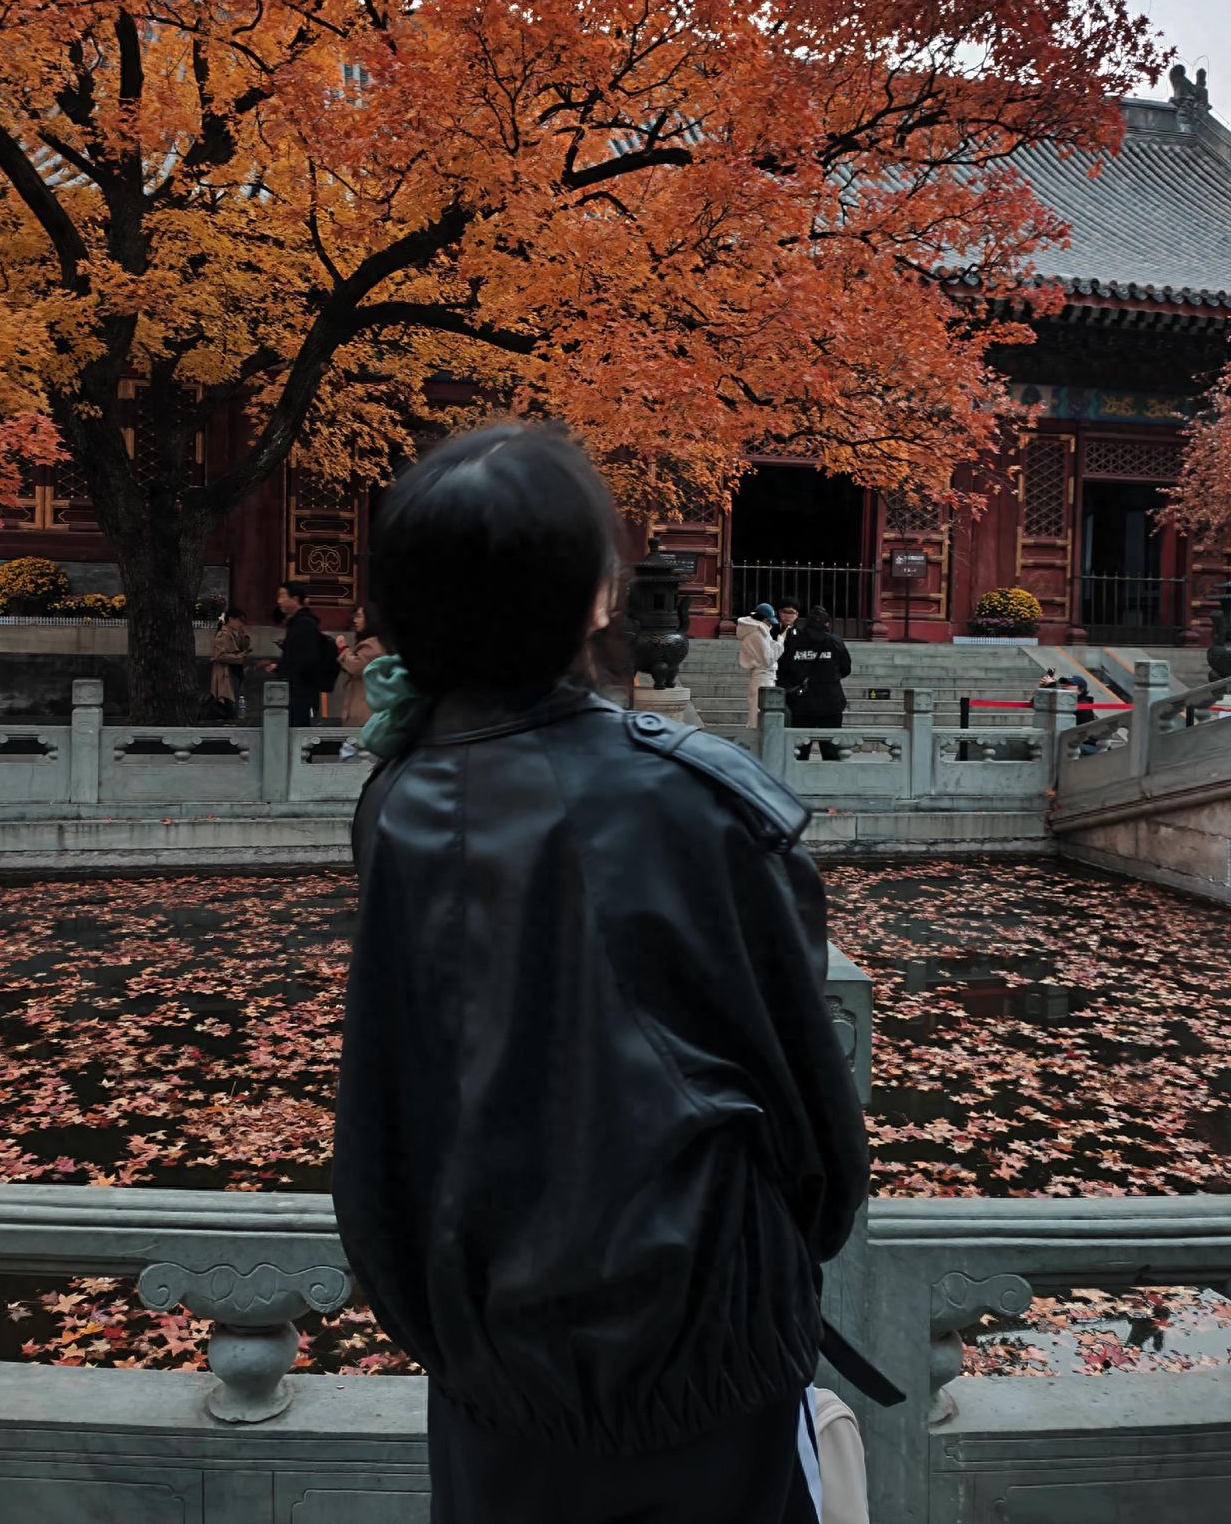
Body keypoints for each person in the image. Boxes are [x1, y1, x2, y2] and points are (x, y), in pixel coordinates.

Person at [333, 424, 872, 1524]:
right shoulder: (698, 798)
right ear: (591, 598)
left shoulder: (397, 802)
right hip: (702, 1350)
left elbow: (388, 1098)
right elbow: (809, 1110)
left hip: (488, 1350)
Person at [779, 605, 852, 762]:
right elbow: (846, 668)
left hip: (801, 700)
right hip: (831, 700)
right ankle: (831, 780)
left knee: (800, 748)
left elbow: (783, 669)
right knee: (831, 746)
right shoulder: (835, 641)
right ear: (827, 623)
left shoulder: (794, 641)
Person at [265, 582, 326, 726]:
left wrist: (286, 669)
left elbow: (306, 657)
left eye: (282, 596)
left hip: (300, 687)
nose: (279, 601)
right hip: (295, 685)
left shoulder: (304, 623)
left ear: (295, 599)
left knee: (297, 726)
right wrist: (279, 667)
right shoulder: (297, 622)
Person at [336, 599, 385, 729]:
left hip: (366, 711)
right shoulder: (369, 642)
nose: (355, 621)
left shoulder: (374, 644)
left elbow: (356, 666)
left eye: (358, 616)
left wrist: (343, 649)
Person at [736, 600, 784, 730]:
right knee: (759, 715)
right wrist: (780, 643)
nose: (770, 624)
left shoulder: (755, 631)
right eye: (768, 621)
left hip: (761, 676)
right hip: (762, 676)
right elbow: (767, 660)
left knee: (757, 712)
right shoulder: (757, 634)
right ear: (762, 619)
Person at [208, 606, 251, 720]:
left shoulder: (233, 634)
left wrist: (243, 636)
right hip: (226, 673)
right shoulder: (223, 634)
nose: (241, 623)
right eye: (239, 620)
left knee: (234, 700)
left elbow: (242, 647)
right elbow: (219, 655)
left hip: (234, 672)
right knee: (228, 702)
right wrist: (237, 657)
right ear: (231, 619)